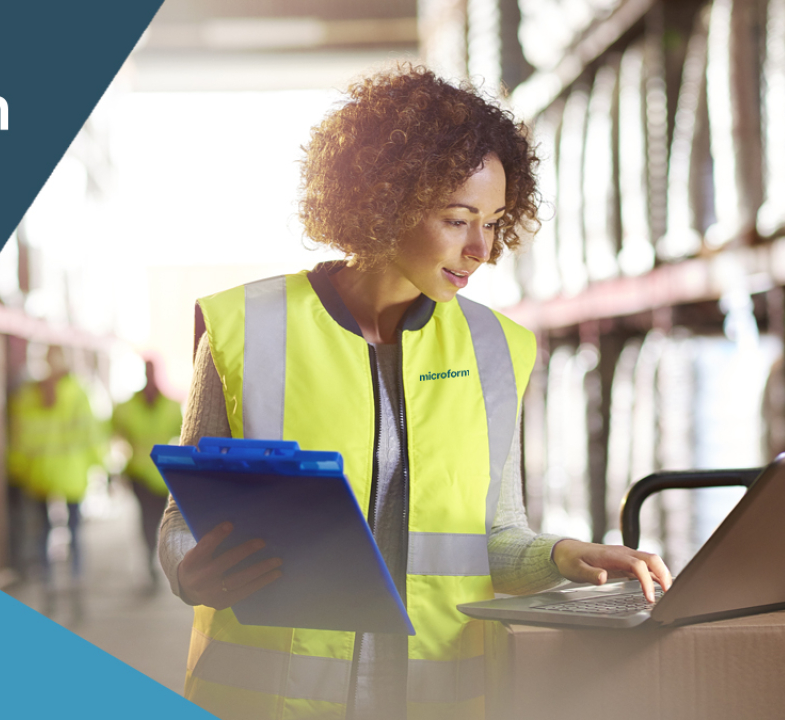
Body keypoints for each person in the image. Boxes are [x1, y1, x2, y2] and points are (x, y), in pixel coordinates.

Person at [158, 66, 673, 720]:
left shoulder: (496, 349)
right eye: (458, 219)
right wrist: (188, 571)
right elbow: (181, 521)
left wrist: (565, 556)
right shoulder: (246, 329)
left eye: (493, 220)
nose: (481, 248)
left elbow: (494, 542)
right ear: (385, 200)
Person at [7, 345, 101, 586]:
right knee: (73, 532)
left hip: (40, 474)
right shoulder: (78, 393)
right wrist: (100, 465)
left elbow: (20, 437)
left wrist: (17, 471)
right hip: (72, 474)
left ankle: (49, 581)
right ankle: (76, 578)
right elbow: (91, 434)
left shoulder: (28, 395)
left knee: (43, 532)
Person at [111, 357, 182, 586]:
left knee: (162, 521)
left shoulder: (172, 405)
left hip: (162, 475)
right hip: (139, 474)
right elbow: (115, 433)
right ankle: (150, 560)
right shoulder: (127, 406)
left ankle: (159, 561)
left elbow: (186, 435)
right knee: (146, 520)